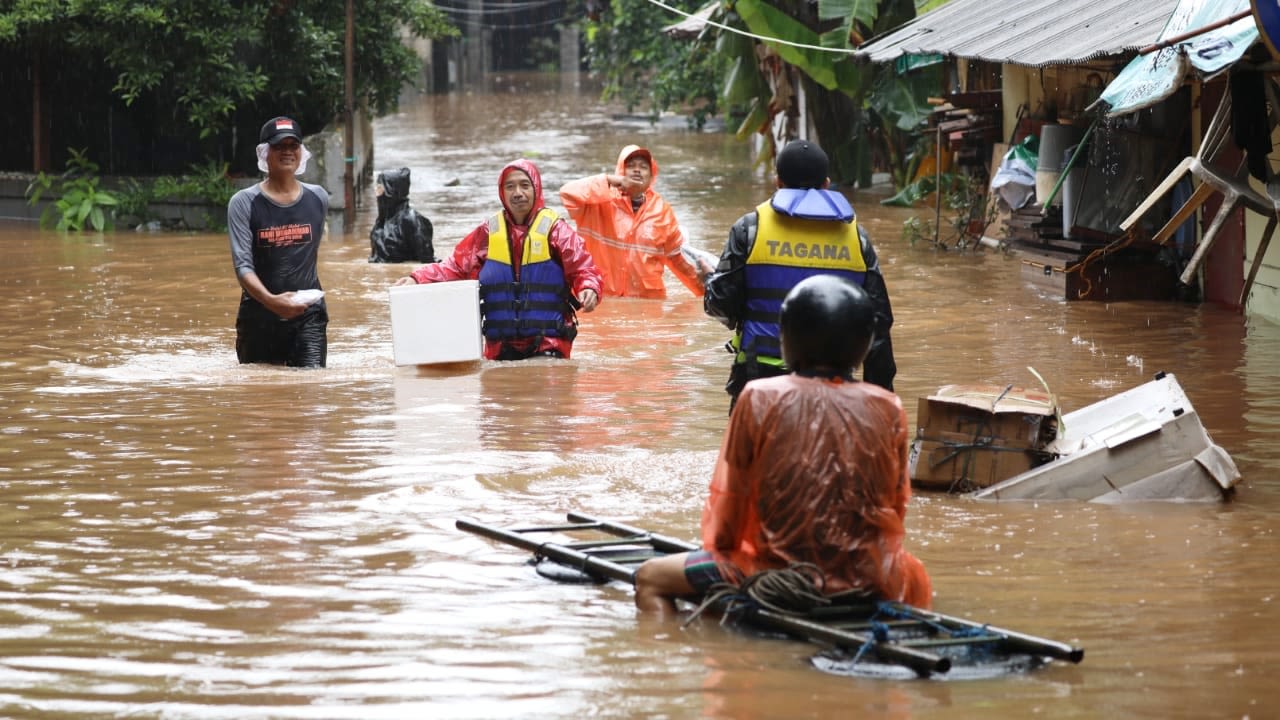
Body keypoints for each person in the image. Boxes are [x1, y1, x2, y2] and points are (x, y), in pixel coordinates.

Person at [633, 275, 932, 618]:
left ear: (787, 339)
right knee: (916, 576)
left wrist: (723, 558)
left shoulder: (760, 397)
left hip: (779, 575)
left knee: (649, 578)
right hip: (871, 576)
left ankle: (659, 653)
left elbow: (729, 500)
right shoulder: (888, 406)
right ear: (863, 346)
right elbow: (895, 504)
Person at [704, 139, 897, 409]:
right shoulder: (857, 237)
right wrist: (879, 401)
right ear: (826, 184)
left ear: (778, 182)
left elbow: (720, 303)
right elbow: (879, 324)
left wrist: (710, 282)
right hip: (834, 387)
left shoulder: (749, 229)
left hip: (758, 381)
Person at [394, 159, 602, 361]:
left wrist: (589, 288)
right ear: (502, 192)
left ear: (536, 189)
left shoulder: (558, 231)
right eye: (510, 187)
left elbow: (583, 268)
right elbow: (455, 267)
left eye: (524, 185)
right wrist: (417, 278)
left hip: (549, 344)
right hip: (500, 347)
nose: (518, 193)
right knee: (498, 391)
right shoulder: (488, 231)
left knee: (540, 384)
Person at [228, 116, 331, 368]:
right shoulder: (243, 203)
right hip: (259, 316)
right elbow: (243, 267)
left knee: (310, 389)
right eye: (279, 146)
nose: (287, 152)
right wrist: (272, 301)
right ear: (264, 153)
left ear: (301, 152)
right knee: (262, 398)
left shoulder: (318, 198)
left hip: (308, 315)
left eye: (293, 145)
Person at [559, 144, 711, 299]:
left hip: (647, 305)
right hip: (599, 297)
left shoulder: (662, 212)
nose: (637, 170)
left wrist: (712, 294)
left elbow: (679, 261)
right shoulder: (596, 202)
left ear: (652, 177)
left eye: (643, 167)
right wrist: (609, 180)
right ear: (620, 172)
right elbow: (567, 193)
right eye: (630, 166)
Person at [368, 166, 436, 264]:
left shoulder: (412, 220)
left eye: (380, 188)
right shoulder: (382, 221)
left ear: (391, 191)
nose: (376, 193)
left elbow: (427, 260)